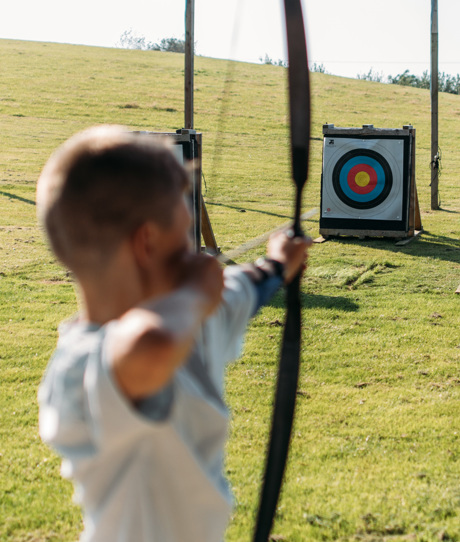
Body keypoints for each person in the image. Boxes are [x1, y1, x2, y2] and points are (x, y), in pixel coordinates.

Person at [37, 125, 311, 542]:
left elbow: (244, 291)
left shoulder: (189, 317)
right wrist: (197, 295)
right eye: (186, 237)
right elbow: (150, 347)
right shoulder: (80, 367)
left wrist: (277, 265)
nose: (195, 253)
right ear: (146, 243)